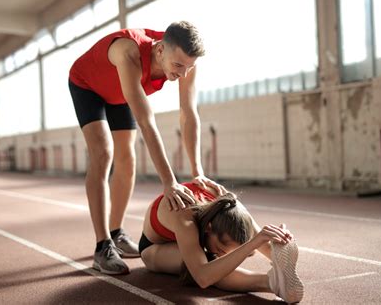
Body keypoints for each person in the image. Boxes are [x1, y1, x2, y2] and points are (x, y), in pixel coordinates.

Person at [68, 21, 226, 275]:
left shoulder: (184, 61)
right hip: (88, 86)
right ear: (160, 50)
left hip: (120, 92)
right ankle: (102, 245)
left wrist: (197, 172)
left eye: (189, 68)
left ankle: (116, 231)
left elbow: (188, 113)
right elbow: (145, 121)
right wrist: (169, 182)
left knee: (127, 159)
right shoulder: (128, 52)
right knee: (103, 152)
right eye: (178, 67)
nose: (183, 75)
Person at [139, 182, 305, 303]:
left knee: (223, 259)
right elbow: (203, 278)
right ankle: (272, 282)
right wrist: (252, 244)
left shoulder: (230, 206)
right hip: (154, 248)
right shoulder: (185, 220)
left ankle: (280, 279)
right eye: (220, 248)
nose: (221, 253)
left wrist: (279, 242)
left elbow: (258, 236)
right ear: (208, 228)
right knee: (211, 266)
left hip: (194, 236)